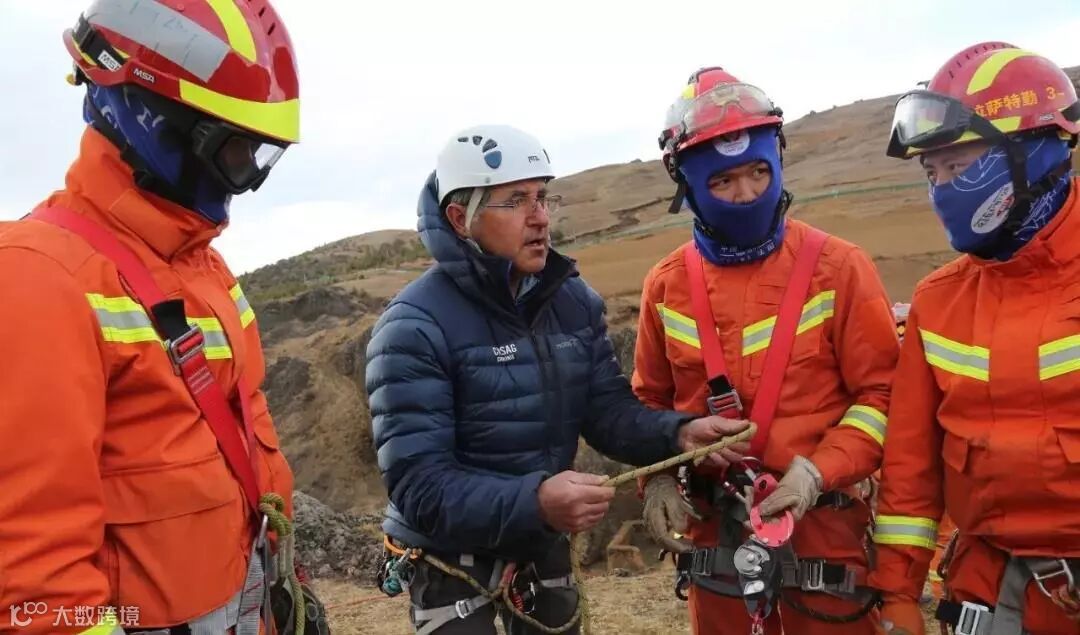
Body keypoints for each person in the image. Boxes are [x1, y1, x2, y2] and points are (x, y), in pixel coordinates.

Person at [0, 1, 324, 633]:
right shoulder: (37, 278)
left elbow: (251, 454)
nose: (244, 179)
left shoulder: (207, 271)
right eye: (234, 149)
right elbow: (33, 579)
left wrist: (286, 594)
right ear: (149, 118)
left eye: (259, 152)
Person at [364, 123, 751, 635]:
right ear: (460, 219)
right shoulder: (413, 327)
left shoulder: (570, 302)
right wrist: (537, 501)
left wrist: (678, 434)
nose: (541, 217)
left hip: (540, 540)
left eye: (543, 197)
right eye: (516, 201)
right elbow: (420, 488)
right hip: (451, 560)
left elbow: (606, 412)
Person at [632, 66, 900, 634]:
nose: (747, 194)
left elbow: (883, 397)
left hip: (824, 537)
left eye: (759, 172)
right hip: (717, 546)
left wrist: (818, 471)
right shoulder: (666, 286)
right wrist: (656, 477)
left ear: (778, 159)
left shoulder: (840, 269)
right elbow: (648, 404)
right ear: (687, 183)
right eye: (723, 181)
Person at [869, 41, 1080, 635]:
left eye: (958, 167)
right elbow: (910, 469)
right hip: (991, 592)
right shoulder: (939, 302)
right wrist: (898, 594)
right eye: (931, 172)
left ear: (1032, 151)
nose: (941, 189)